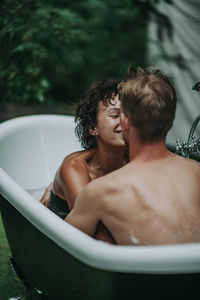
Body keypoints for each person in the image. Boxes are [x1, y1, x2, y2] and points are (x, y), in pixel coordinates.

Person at [65, 67, 200, 246]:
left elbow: (62, 246)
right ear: (171, 119)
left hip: (145, 273)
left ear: (125, 121)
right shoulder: (196, 171)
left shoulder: (101, 192)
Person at [40, 78, 128, 243]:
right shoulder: (74, 167)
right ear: (93, 128)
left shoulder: (133, 160)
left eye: (128, 114)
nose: (124, 121)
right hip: (63, 240)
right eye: (115, 115)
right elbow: (99, 235)